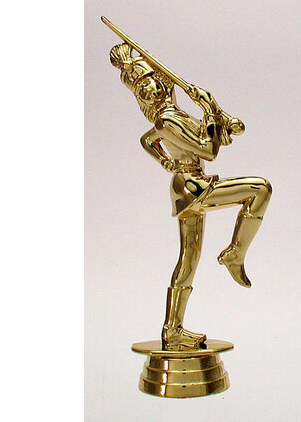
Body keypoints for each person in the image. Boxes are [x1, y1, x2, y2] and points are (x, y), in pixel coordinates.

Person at [109, 43, 272, 350]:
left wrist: (219, 120)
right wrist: (209, 107)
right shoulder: (168, 120)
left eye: (149, 84)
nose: (147, 91)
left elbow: (158, 140)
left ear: (163, 84)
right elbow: (208, 151)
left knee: (189, 258)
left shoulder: (172, 116)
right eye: (141, 91)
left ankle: (172, 330)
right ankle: (235, 254)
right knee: (260, 189)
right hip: (194, 186)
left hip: (186, 185)